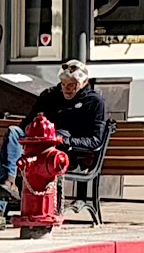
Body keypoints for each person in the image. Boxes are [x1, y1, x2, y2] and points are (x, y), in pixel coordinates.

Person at [3, 60, 110, 188]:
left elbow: (96, 140)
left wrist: (67, 141)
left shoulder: (94, 102)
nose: (67, 89)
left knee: (54, 140)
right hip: (36, 145)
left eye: (72, 84)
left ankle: (6, 192)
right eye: (64, 84)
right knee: (14, 132)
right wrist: (33, 129)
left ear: (83, 83)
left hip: (65, 152)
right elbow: (26, 123)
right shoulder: (49, 95)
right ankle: (9, 184)